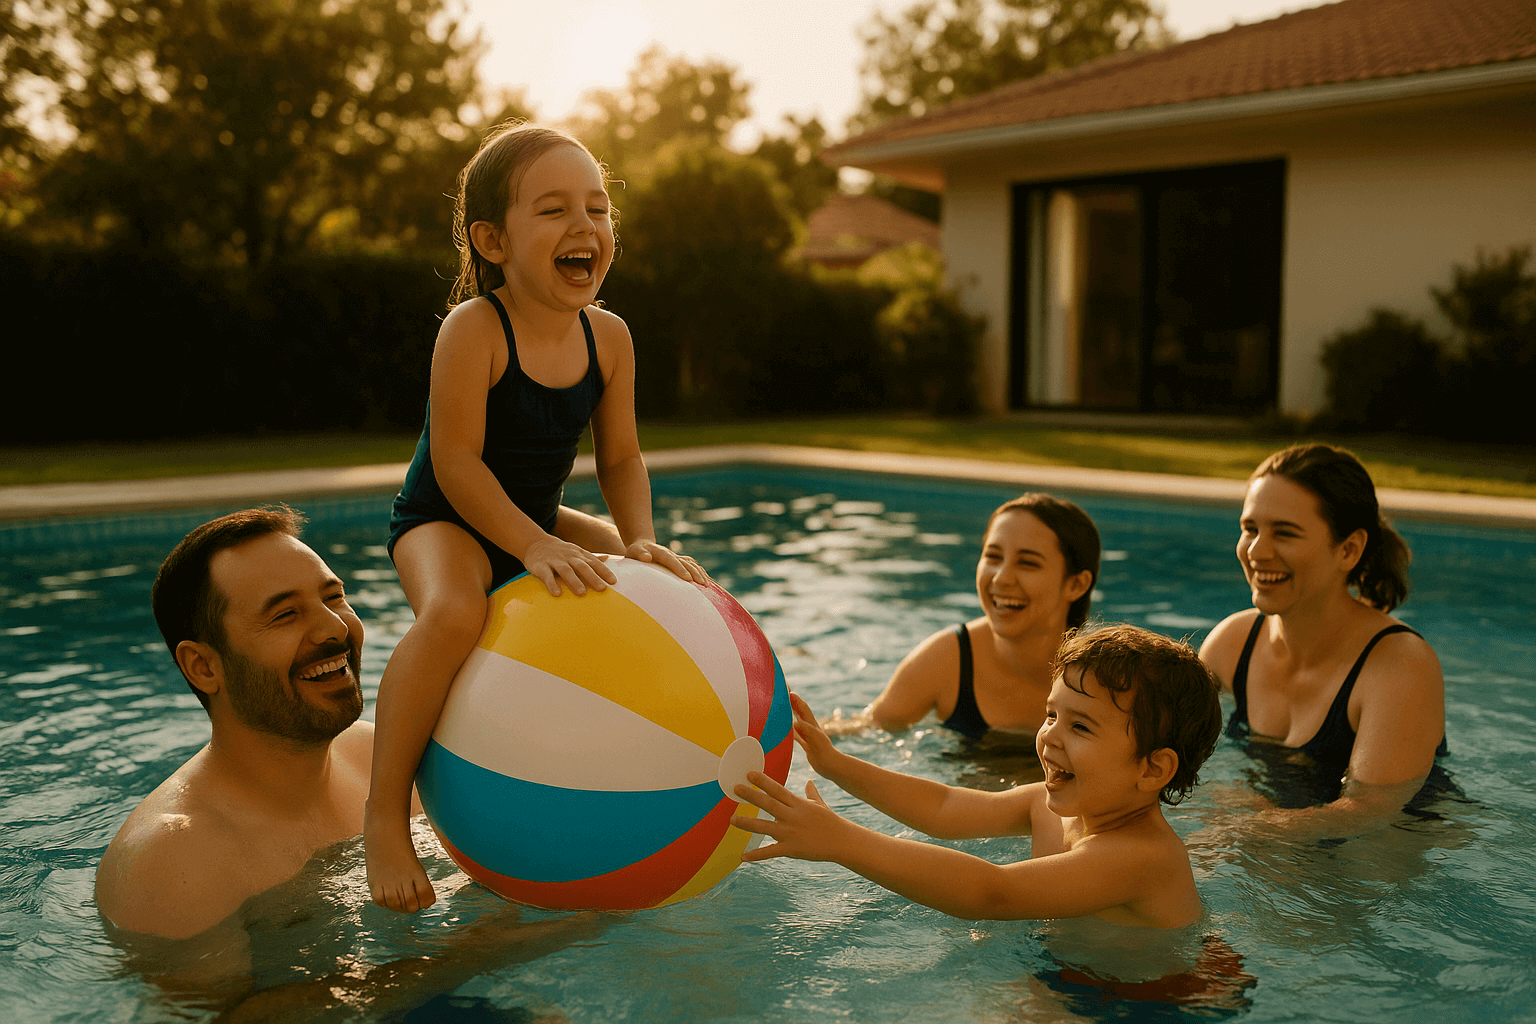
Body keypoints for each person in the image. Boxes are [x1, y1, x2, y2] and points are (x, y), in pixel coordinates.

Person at [367, 121, 707, 914]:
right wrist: (531, 542)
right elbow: (455, 464)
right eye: (553, 211)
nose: (584, 226)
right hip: (443, 518)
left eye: (597, 207)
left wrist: (639, 540)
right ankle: (385, 817)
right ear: (493, 240)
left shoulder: (611, 337)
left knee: (648, 579)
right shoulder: (475, 329)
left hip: (535, 515)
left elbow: (620, 458)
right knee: (453, 614)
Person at [733, 624, 1224, 928]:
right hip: (1083, 982)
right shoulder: (1048, 807)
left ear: (1153, 767)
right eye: (1052, 715)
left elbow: (990, 893)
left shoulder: (1143, 858)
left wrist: (841, 841)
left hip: (1155, 1005)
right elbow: (944, 809)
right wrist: (838, 765)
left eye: (1081, 726)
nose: (1050, 737)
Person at [1198, 444, 1447, 818]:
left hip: (1383, 855)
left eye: (1284, 533)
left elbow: (1369, 811)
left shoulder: (1399, 666)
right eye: (1250, 529)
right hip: (1277, 841)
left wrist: (1239, 831)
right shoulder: (1231, 644)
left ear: (1348, 549)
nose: (1256, 551)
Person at [843, 493, 1099, 739]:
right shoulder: (948, 660)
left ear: (1076, 585)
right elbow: (867, 728)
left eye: (1028, 563)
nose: (1001, 578)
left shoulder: (1103, 680)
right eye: (993, 556)